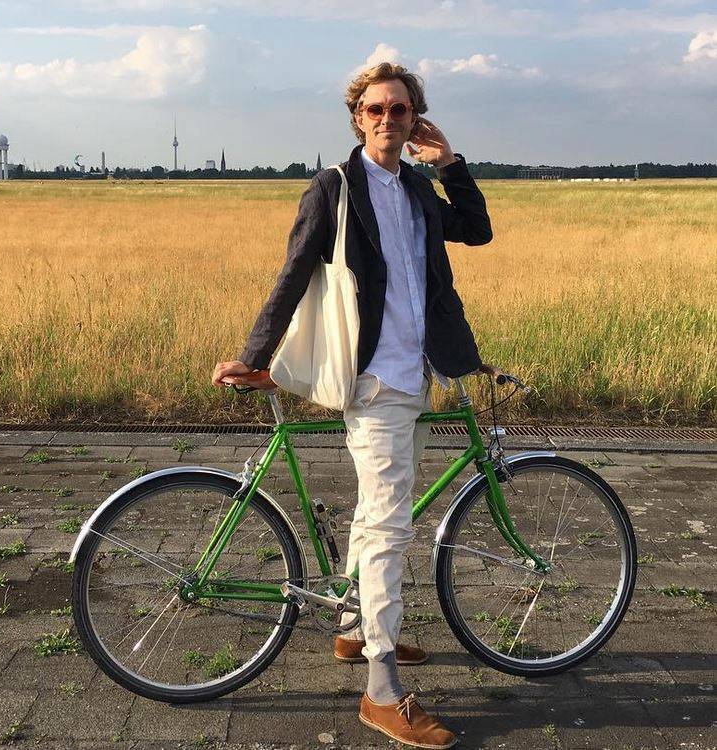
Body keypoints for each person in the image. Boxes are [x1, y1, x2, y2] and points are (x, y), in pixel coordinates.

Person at [211, 61, 492, 749]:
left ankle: (352, 628)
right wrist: (255, 354)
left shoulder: (419, 189)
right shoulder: (334, 187)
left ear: (415, 118)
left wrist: (448, 163)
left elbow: (476, 230)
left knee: (375, 515)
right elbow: (293, 271)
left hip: (416, 373)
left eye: (400, 109)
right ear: (357, 118)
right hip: (372, 380)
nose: (387, 119)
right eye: (375, 109)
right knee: (391, 530)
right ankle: (382, 690)